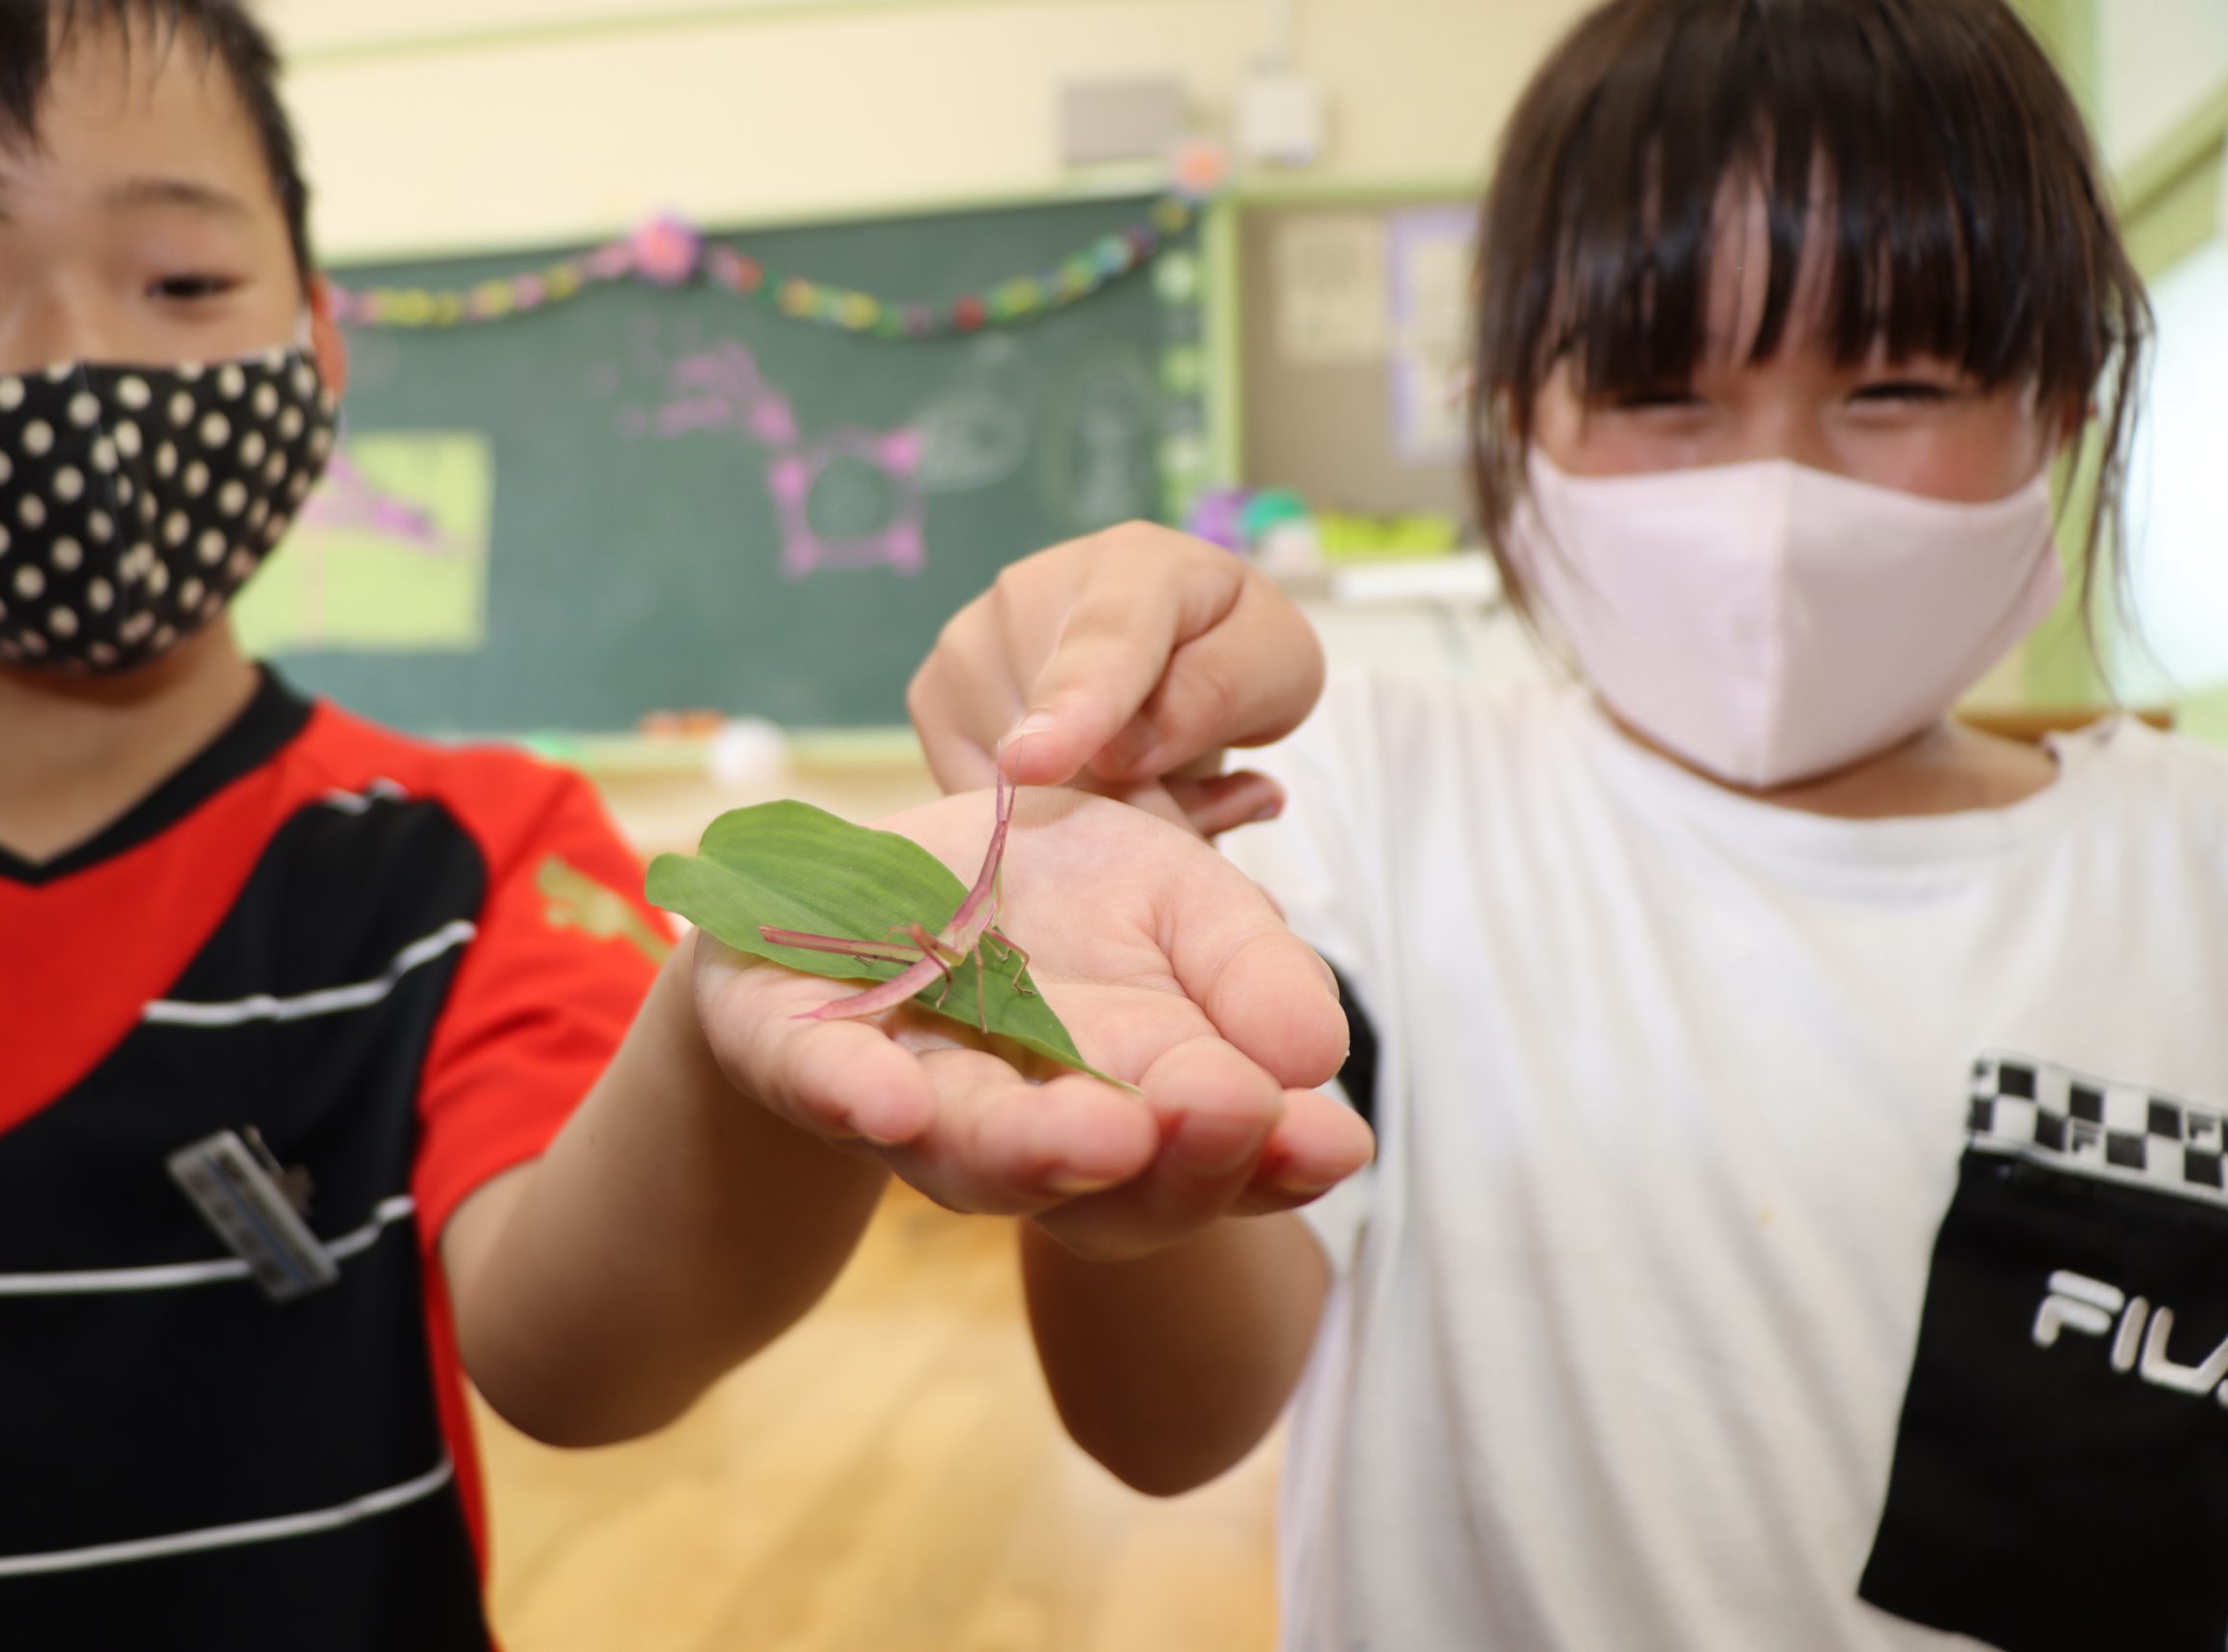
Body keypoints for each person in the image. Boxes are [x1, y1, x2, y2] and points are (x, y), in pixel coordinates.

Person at [0, 4, 1370, 1646]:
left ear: (317, 343)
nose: (76, 364)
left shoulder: (468, 854)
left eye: (179, 282)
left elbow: (580, 1357)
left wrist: (744, 1012)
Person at [911, 3, 2228, 1649]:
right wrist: (1110, 1106)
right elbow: (1168, 1426)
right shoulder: (1365, 793)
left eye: (1896, 381)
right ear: (1514, 411)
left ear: (2065, 400)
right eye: (1662, 391)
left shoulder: (2199, 873)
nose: (1775, 494)